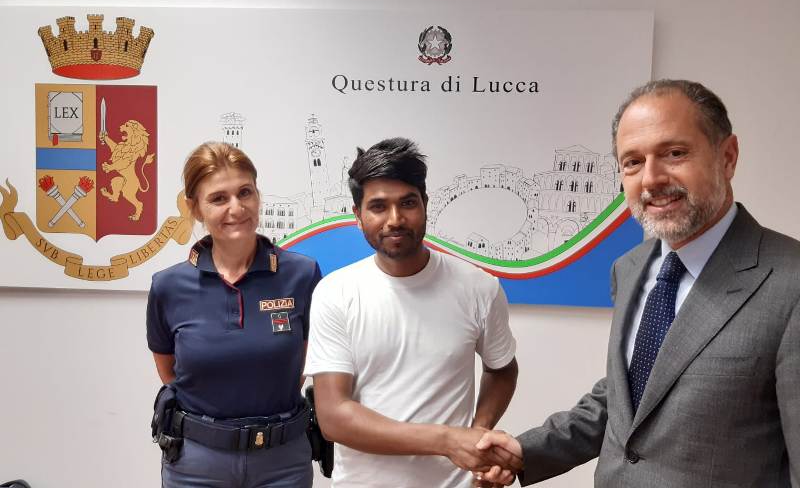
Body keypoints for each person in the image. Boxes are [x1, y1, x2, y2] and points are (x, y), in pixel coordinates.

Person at [476, 79, 800, 487]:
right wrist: (527, 451)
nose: (651, 179)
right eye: (632, 162)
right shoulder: (630, 269)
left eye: (675, 153)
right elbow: (629, 396)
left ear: (728, 157)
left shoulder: (790, 283)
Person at [304, 137, 521, 487]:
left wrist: (478, 437)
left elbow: (503, 369)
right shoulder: (336, 293)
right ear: (358, 215)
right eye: (378, 207)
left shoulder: (479, 287)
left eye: (407, 203)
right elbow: (334, 416)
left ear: (425, 204)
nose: (395, 219)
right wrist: (448, 440)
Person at [146, 142, 322, 487]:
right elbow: (171, 374)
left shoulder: (302, 275)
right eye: (218, 198)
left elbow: (302, 366)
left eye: (245, 192)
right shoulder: (168, 286)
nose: (237, 208)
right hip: (196, 465)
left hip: (282, 463)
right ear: (195, 208)